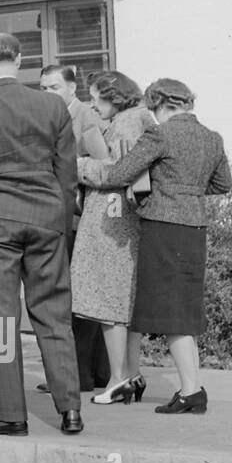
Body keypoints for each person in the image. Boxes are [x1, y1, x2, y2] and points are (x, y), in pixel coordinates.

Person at [0, 32, 83, 436]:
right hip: (46, 217)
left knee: (1, 317)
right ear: (21, 58)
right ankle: (70, 409)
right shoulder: (52, 105)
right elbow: (67, 171)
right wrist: (59, 219)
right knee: (54, 314)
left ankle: (10, 412)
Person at [77, 78, 232, 415]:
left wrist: (79, 167)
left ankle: (190, 391)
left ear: (161, 103)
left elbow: (120, 173)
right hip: (195, 227)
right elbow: (224, 183)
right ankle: (192, 388)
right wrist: (186, 192)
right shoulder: (212, 137)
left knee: (170, 314)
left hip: (163, 228)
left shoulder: (161, 134)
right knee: (185, 310)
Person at [71, 71, 157, 405]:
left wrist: (78, 166)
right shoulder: (140, 119)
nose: (92, 106)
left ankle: (120, 378)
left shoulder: (125, 124)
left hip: (113, 223)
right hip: (126, 220)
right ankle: (130, 375)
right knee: (125, 303)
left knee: (110, 302)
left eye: (96, 98)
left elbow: (116, 173)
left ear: (114, 96)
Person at [40, 63, 111, 393]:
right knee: (73, 297)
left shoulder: (84, 116)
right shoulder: (52, 114)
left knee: (76, 297)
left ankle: (81, 373)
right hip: (61, 215)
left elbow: (106, 165)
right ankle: (86, 372)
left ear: (71, 89)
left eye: (54, 87)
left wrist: (73, 168)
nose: (47, 93)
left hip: (79, 219)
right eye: (43, 88)